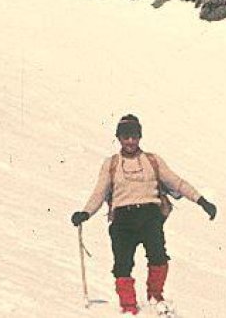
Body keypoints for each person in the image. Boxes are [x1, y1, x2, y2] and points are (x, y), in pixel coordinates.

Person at [71, 114, 217, 315]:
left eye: (134, 136)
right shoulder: (111, 164)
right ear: (118, 138)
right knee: (122, 264)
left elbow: (177, 182)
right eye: (125, 137)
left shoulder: (152, 161)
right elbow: (99, 192)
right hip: (123, 220)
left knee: (158, 257)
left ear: (140, 137)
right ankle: (128, 306)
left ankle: (155, 296)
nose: (130, 141)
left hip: (150, 216)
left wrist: (201, 201)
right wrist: (85, 213)